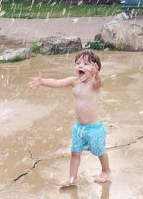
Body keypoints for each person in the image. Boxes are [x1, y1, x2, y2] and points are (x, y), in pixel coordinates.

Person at [29, 50, 111, 187]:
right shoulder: (74, 82)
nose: (80, 66)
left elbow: (100, 81)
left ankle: (106, 170)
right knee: (75, 153)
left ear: (95, 68)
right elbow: (57, 82)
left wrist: (97, 75)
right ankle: (72, 178)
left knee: (100, 151)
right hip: (79, 128)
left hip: (94, 128)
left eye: (85, 64)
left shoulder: (94, 84)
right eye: (78, 63)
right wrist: (42, 81)